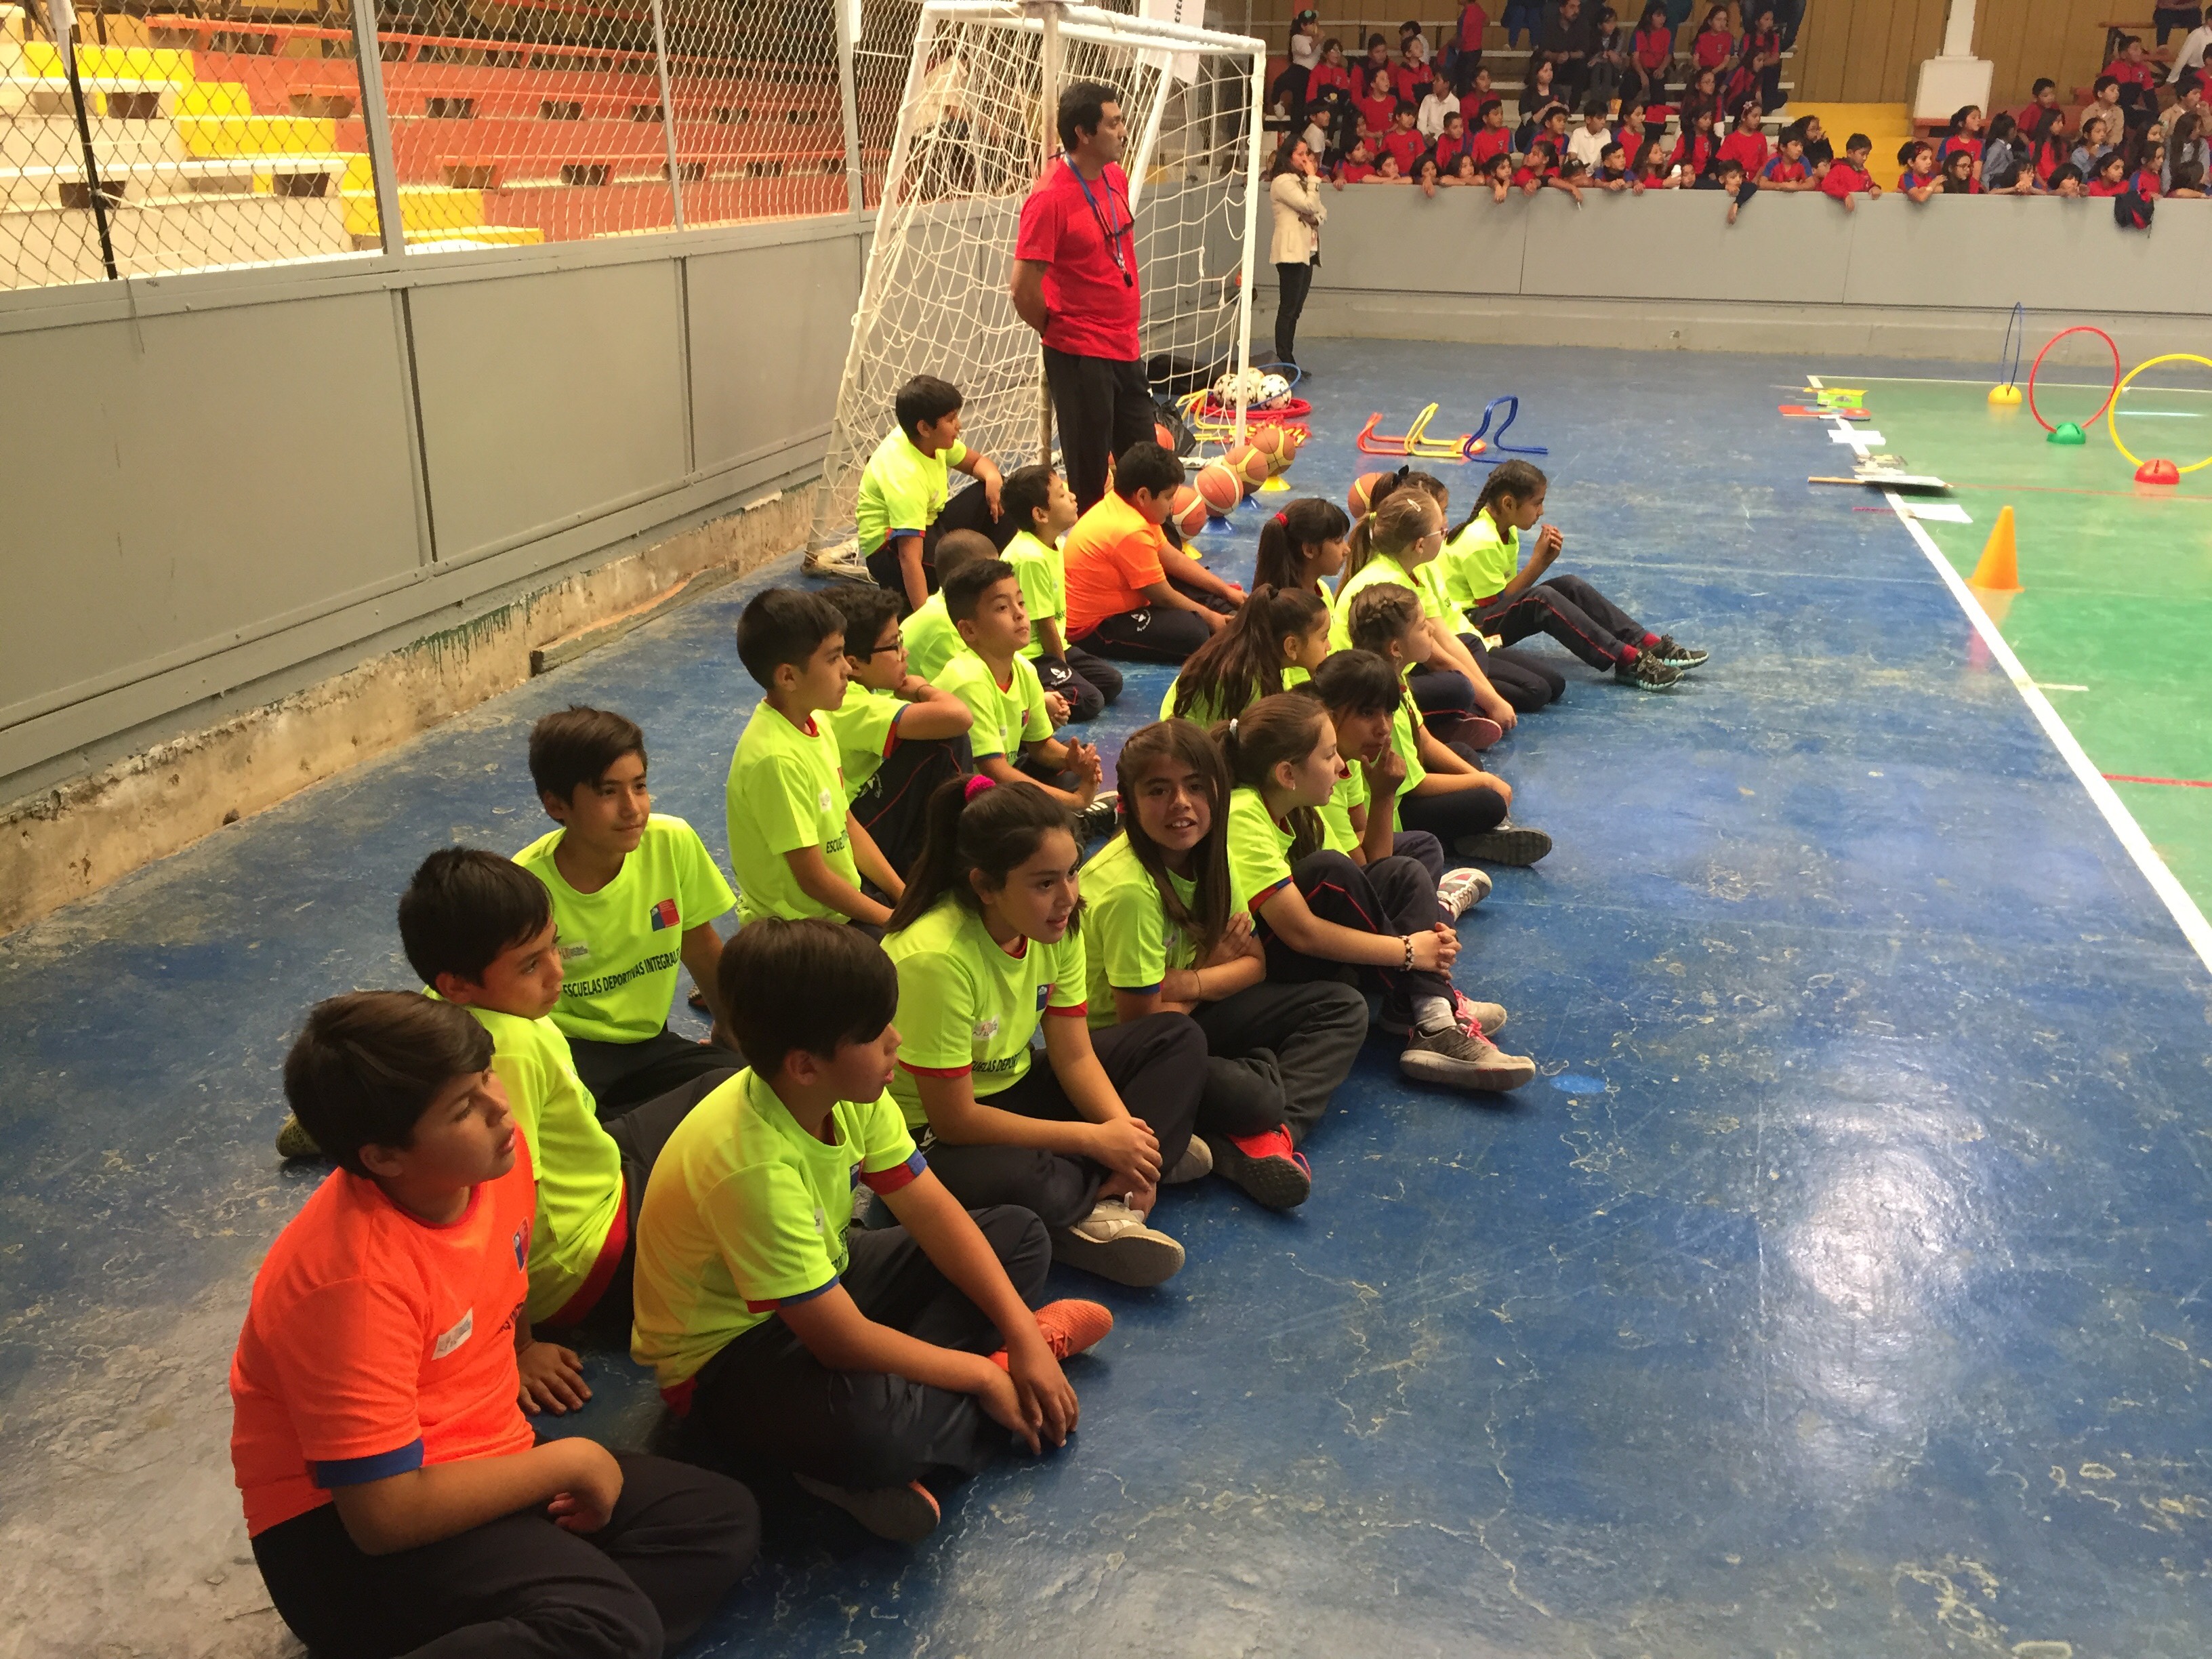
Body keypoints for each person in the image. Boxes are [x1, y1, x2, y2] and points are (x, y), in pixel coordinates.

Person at [233, 991, 758, 1658]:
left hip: (478, 1452)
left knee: (715, 1520)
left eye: (487, 1075)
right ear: (385, 1157)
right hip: (345, 1539)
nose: (500, 1107)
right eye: (462, 1108)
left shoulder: (491, 1166)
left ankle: (559, 1624)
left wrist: (527, 1348)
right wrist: (568, 1459)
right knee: (606, 1623)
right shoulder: (351, 1283)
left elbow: (497, 1279)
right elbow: (383, 1517)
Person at [630, 919, 1109, 1544]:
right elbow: (841, 1342)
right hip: (728, 1358)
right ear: (805, 1066)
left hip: (828, 1275)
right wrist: (986, 1375)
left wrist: (1021, 1332)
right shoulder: (748, 1167)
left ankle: (931, 1406)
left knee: (1018, 1235)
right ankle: (893, 1434)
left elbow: (934, 1212)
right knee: (877, 1436)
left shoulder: (853, 1091)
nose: (896, 1040)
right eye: (876, 1033)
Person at [398, 847, 737, 1364]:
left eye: (553, 946)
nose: (557, 973)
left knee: (724, 1087)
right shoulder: (506, 1050)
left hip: (595, 1170)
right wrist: (520, 1345)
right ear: (459, 985)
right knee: (742, 1204)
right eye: (531, 965)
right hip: (590, 1257)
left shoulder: (449, 1002)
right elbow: (500, 1207)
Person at [884, 776, 1207, 1286]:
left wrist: (1121, 1135)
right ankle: (1109, 1196)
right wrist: (1095, 1139)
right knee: (1033, 1181)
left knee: (1176, 1038)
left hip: (1011, 1087)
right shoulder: (936, 959)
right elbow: (956, 1121)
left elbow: (1074, 1056)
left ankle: (1118, 1181)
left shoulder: (1057, 925)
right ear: (985, 886)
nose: (1067, 897)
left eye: (1073, 873)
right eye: (1044, 883)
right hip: (930, 1133)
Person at [1083, 720, 1370, 1209]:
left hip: (1181, 1012)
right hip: (1125, 1052)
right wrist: (1211, 967)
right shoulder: (1130, 891)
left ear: (1219, 792)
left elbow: (1254, 963)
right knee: (1256, 1097)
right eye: (1159, 790)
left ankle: (1266, 1137)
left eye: (1196, 787)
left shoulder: (1210, 854)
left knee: (1343, 1006)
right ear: (1128, 801)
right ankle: (1246, 1114)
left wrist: (1191, 978)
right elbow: (1148, 1029)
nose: (1181, 803)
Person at [1216, 693, 1535, 1092]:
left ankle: (1426, 1008)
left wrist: (1420, 942)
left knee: (1403, 871)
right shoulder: (1244, 814)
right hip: (1255, 969)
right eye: (1329, 755)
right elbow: (1301, 932)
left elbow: (1369, 875)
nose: (1340, 766)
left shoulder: (1289, 809)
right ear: (1287, 774)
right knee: (1329, 870)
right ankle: (1433, 1012)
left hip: (1291, 953)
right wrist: (1409, 950)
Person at [513, 706, 739, 1114]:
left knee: (748, 1091)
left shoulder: (672, 842)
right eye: (607, 792)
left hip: (650, 1046)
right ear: (556, 805)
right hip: (566, 1055)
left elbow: (701, 947)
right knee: (596, 1138)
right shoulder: (523, 887)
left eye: (639, 786)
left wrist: (733, 1029)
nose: (632, 808)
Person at [1440, 459, 1703, 693]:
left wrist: (1542, 563)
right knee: (1542, 600)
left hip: (1486, 614)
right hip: (1472, 627)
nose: (1541, 511)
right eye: (1537, 503)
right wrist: (1539, 563)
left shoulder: (1504, 530)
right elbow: (1496, 604)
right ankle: (1627, 661)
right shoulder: (1480, 540)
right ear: (1508, 504)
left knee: (1569, 585)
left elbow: (1507, 596)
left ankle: (1645, 643)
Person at [727, 588, 903, 933]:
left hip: (838, 906)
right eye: (833, 658)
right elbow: (813, 881)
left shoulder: (817, 721)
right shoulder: (775, 759)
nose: (848, 668)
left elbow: (847, 824)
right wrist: (895, 922)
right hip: (799, 930)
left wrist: (904, 896)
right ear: (788, 677)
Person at [1013, 82, 1151, 514]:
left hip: (1126, 346)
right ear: (1083, 133)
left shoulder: (1115, 177)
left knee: (1147, 469)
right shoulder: (1049, 198)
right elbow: (1022, 289)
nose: (1123, 131)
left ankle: (1145, 547)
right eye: (1113, 124)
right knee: (1089, 477)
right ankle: (1094, 552)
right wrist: (1061, 331)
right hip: (1080, 353)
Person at [1345, 583, 1551, 867]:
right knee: (1488, 802)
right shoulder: (1382, 704)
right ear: (1396, 648)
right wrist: (1484, 782)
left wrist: (1478, 779)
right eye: (1422, 626)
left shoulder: (1397, 679)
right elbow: (1414, 785)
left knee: (1462, 753)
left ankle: (1476, 835)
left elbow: (1426, 742)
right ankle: (1474, 833)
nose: (1431, 629)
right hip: (1393, 809)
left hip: (1404, 788)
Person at [1310, 649, 1492, 918]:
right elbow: (1372, 874)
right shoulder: (1321, 776)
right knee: (1407, 873)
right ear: (1330, 715)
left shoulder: (1351, 757)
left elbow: (1361, 831)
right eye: (1367, 713)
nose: (1384, 728)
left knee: (1424, 845)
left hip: (1355, 873)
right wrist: (1383, 796)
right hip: (1326, 896)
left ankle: (1427, 908)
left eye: (1389, 713)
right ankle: (1437, 911)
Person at [1332, 482, 1513, 744]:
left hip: (1395, 665)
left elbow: (1443, 640)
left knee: (1469, 646)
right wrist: (1493, 702)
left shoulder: (1410, 568)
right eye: (1441, 531)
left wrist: (1492, 697)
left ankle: (1459, 717)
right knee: (1460, 688)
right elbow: (1437, 658)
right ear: (1419, 544)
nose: (1446, 534)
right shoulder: (1390, 583)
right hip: (1365, 687)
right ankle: (1444, 727)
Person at [821, 583, 975, 882]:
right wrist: (921, 689)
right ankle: (952, 863)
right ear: (853, 665)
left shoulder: (858, 692)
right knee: (944, 741)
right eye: (894, 645)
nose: (905, 653)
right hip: (851, 832)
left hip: (861, 816)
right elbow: (959, 717)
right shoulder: (849, 703)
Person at [937, 558, 1108, 819]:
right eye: (1002, 607)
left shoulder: (1024, 669)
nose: (1019, 614)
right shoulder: (968, 680)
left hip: (1000, 782)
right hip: (965, 799)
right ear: (969, 630)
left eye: (1021, 602)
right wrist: (1076, 801)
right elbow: (996, 772)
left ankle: (1068, 819)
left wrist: (1074, 761)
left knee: (1072, 764)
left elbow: (1040, 746)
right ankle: (1077, 820)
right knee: (1033, 818)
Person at [1063, 441, 1243, 663]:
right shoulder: (1129, 530)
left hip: (1128, 595)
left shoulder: (1132, 507)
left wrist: (1226, 591)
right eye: (1168, 497)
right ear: (1143, 496)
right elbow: (1163, 596)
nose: (1172, 505)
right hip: (1095, 627)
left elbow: (1174, 559)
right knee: (1195, 634)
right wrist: (1212, 619)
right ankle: (1224, 621)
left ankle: (1229, 612)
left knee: (1194, 584)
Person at [855, 374, 1006, 612]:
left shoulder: (930, 441)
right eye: (951, 419)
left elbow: (978, 463)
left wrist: (993, 477)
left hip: (929, 523)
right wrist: (925, 619)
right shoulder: (905, 474)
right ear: (925, 428)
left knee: (1000, 495)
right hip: (889, 550)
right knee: (957, 567)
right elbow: (909, 558)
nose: (959, 425)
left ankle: (997, 581)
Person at [998, 463, 1122, 722]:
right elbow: (1045, 626)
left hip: (1055, 646)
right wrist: (1064, 669)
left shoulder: (1052, 544)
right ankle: (1024, 697)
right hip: (1031, 655)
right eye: (1062, 494)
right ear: (1040, 514)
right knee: (1090, 700)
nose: (1073, 497)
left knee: (1111, 682)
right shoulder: (1029, 557)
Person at [1164, 583, 1330, 724]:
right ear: (1291, 646)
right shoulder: (1249, 684)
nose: (1329, 646)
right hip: (1187, 742)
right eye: (1324, 638)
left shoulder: (1262, 657)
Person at [900, 529, 995, 682]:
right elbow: (968, 684)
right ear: (963, 580)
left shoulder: (950, 606)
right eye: (990, 575)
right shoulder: (946, 625)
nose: (998, 581)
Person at [1269, 137, 1326, 372]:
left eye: (1306, 154)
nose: (1305, 159)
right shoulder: (1283, 181)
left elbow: (1320, 211)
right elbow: (1309, 205)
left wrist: (1315, 218)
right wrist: (1313, 178)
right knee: (1288, 308)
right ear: (1288, 156)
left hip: (1307, 250)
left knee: (1296, 309)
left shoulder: (1300, 182)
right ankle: (1285, 361)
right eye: (1300, 154)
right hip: (1291, 250)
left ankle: (1289, 360)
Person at [1821, 131, 1882, 207]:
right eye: (1862, 154)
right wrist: (1845, 195)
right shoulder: (1839, 168)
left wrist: (1874, 188)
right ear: (1850, 153)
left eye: (1867, 154)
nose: (1865, 158)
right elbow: (1827, 185)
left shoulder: (1864, 172)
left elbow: (1869, 186)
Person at [1568, 99, 1613, 168]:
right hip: (1580, 171)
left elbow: (1608, 157)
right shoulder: (1578, 133)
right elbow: (1572, 155)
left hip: (1600, 172)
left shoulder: (1606, 133)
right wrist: (1579, 170)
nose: (1603, 122)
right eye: (1600, 118)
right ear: (1588, 120)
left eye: (1605, 118)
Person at [1418, 73, 1461, 138]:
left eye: (1437, 80)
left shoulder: (1454, 102)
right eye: (1434, 80)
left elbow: (1450, 126)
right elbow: (1421, 122)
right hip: (1426, 137)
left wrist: (1435, 138)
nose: (1433, 83)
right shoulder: (1428, 99)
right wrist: (1426, 135)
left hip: (1445, 137)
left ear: (1446, 84)